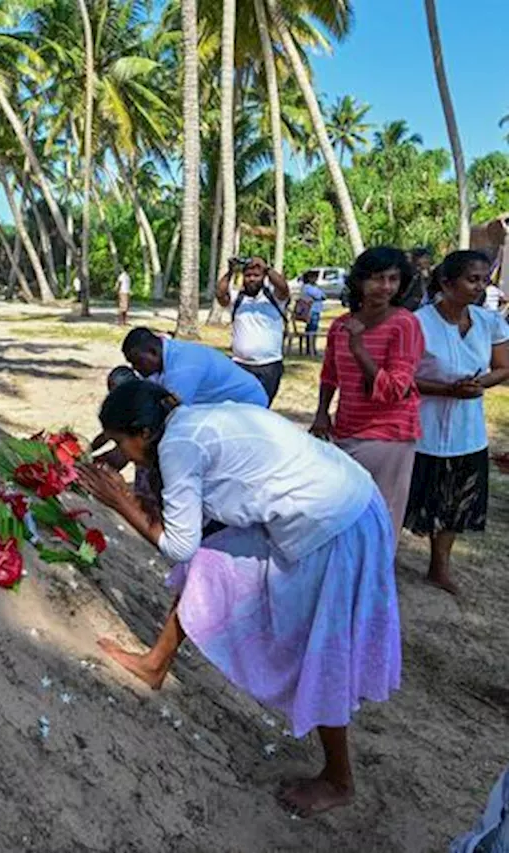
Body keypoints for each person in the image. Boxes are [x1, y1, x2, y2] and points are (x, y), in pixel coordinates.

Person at [77, 380, 400, 817]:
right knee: (207, 566)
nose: (120, 453)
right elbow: (195, 522)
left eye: (120, 442)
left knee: (318, 646)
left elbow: (177, 545)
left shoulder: (179, 447)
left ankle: (339, 779)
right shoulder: (186, 420)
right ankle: (155, 664)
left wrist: (119, 501)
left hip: (336, 523)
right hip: (339, 497)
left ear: (144, 433)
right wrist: (139, 497)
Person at [403, 250, 509, 595]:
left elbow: (503, 368)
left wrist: (479, 385)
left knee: (456, 502)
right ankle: (381, 559)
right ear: (447, 283)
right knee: (409, 498)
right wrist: (446, 390)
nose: (479, 286)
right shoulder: (418, 323)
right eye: (471, 279)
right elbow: (402, 378)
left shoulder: (490, 322)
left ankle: (439, 566)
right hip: (423, 429)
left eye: (483, 279)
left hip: (468, 431)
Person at [311, 247, 423, 542]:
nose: (385, 287)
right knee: (342, 508)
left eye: (393, 279)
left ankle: (374, 578)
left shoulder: (404, 324)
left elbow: (396, 389)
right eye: (376, 279)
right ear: (359, 282)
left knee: (380, 513)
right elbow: (329, 375)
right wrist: (322, 413)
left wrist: (359, 349)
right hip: (347, 427)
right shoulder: (341, 325)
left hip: (389, 433)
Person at [122, 327, 268, 409]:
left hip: (247, 403)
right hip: (218, 405)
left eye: (138, 362)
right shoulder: (163, 358)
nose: (136, 368)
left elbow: (168, 414)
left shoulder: (183, 367)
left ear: (153, 352)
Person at [215, 256, 289, 403]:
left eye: (256, 275)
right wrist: (230, 272)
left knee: (261, 408)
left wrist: (266, 268)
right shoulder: (238, 300)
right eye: (248, 275)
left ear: (263, 277)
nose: (252, 279)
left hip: (269, 366)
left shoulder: (273, 298)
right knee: (239, 409)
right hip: (240, 365)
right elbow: (220, 294)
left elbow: (283, 288)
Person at [295, 271, 326, 356]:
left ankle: (311, 348)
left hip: (315, 310)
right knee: (312, 330)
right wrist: (321, 294)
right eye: (314, 277)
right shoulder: (308, 288)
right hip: (312, 311)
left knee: (312, 330)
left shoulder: (312, 287)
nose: (316, 279)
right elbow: (320, 295)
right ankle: (311, 350)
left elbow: (323, 295)